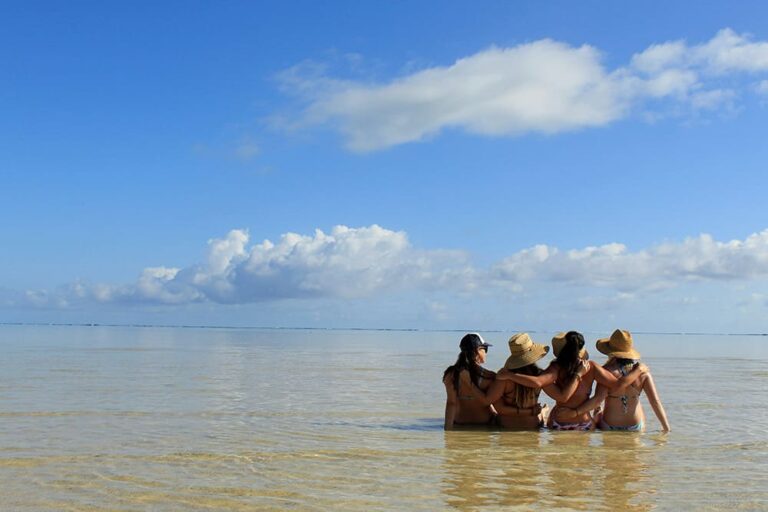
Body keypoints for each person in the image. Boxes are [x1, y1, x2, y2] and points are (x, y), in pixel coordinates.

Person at [497, 331, 646, 431]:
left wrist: (511, 376)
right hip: (585, 424)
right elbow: (618, 384)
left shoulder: (555, 367)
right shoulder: (591, 367)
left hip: (558, 423)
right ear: (580, 349)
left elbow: (538, 382)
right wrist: (638, 370)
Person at [559, 330, 671, 432]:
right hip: (636, 425)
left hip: (609, 425)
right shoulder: (642, 372)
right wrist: (666, 428)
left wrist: (575, 412)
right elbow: (655, 402)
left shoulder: (606, 372)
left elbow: (597, 400)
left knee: (598, 413)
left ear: (610, 351)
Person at [484, 333, 575, 430]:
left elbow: (499, 408)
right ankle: (543, 411)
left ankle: (543, 411)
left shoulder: (504, 378)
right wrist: (577, 375)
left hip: (506, 426)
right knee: (542, 413)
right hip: (532, 425)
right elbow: (561, 397)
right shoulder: (540, 376)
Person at [442, 333, 497, 430]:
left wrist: (447, 432)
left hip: (460, 422)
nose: (486, 353)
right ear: (478, 350)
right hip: (484, 424)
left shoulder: (450, 374)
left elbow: (451, 403)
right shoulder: (488, 376)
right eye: (485, 349)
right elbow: (490, 402)